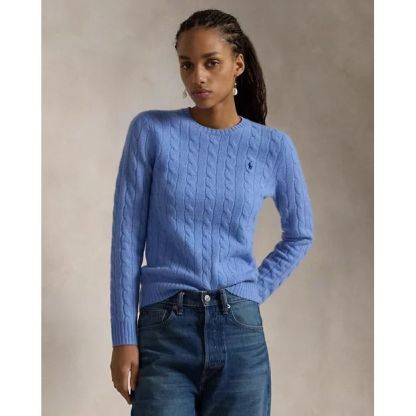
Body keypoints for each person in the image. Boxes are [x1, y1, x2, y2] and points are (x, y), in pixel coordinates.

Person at [109, 8, 314, 416]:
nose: (197, 77)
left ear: (238, 65)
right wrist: (123, 337)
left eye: (211, 63)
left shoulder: (273, 147)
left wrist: (251, 291)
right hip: (164, 331)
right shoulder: (150, 132)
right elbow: (126, 240)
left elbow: (300, 234)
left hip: (240, 334)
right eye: (187, 65)